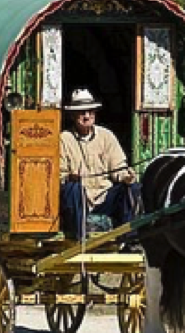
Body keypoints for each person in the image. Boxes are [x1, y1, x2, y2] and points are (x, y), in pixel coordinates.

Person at [60, 88, 140, 240]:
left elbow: (118, 167)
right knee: (72, 189)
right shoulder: (63, 139)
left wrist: (126, 176)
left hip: (104, 197)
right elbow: (59, 174)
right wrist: (70, 177)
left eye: (90, 112)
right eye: (82, 112)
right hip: (78, 199)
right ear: (73, 115)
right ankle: (79, 237)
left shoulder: (107, 136)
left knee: (131, 188)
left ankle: (129, 238)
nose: (87, 116)